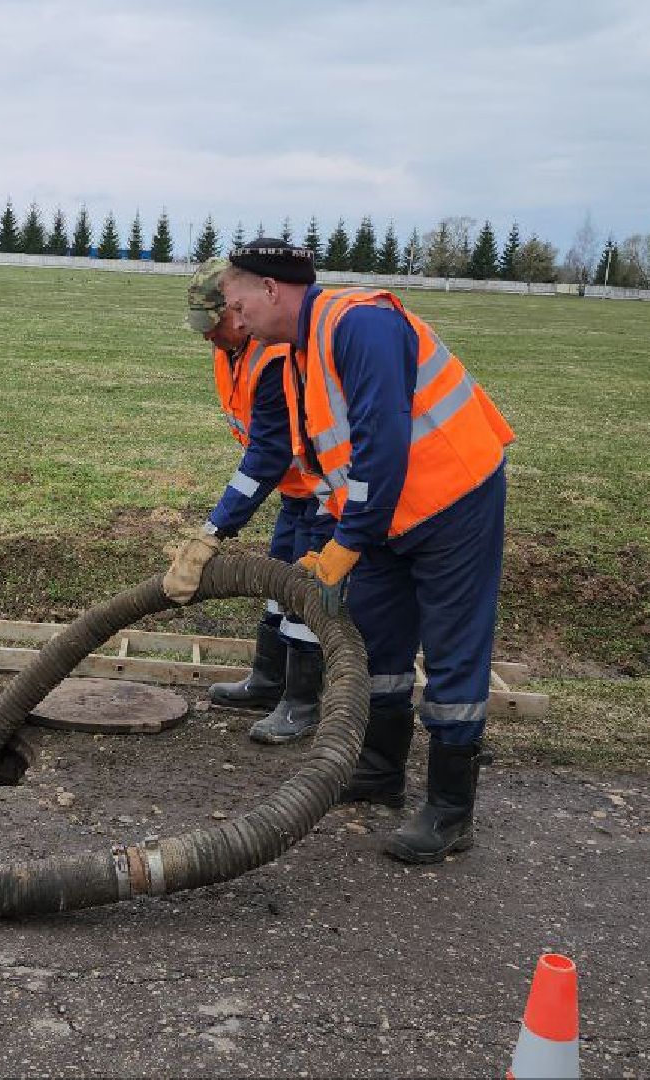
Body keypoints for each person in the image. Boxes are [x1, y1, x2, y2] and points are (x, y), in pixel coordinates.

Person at [213, 238, 516, 864]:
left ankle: (449, 811)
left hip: (452, 503)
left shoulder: (361, 323)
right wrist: (335, 533)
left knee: (453, 651)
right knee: (377, 641)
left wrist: (346, 543)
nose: (235, 323)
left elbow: (382, 445)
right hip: (379, 516)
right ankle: (380, 770)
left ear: (271, 289)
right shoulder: (298, 352)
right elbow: (327, 458)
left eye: (238, 306)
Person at [166, 257, 334, 743]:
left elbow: (266, 456)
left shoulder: (273, 358)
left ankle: (301, 703)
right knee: (278, 581)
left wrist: (214, 531)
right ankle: (268, 680)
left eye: (213, 325)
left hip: (329, 495)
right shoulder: (231, 350)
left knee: (305, 592)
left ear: (237, 312)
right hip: (297, 491)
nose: (208, 338)